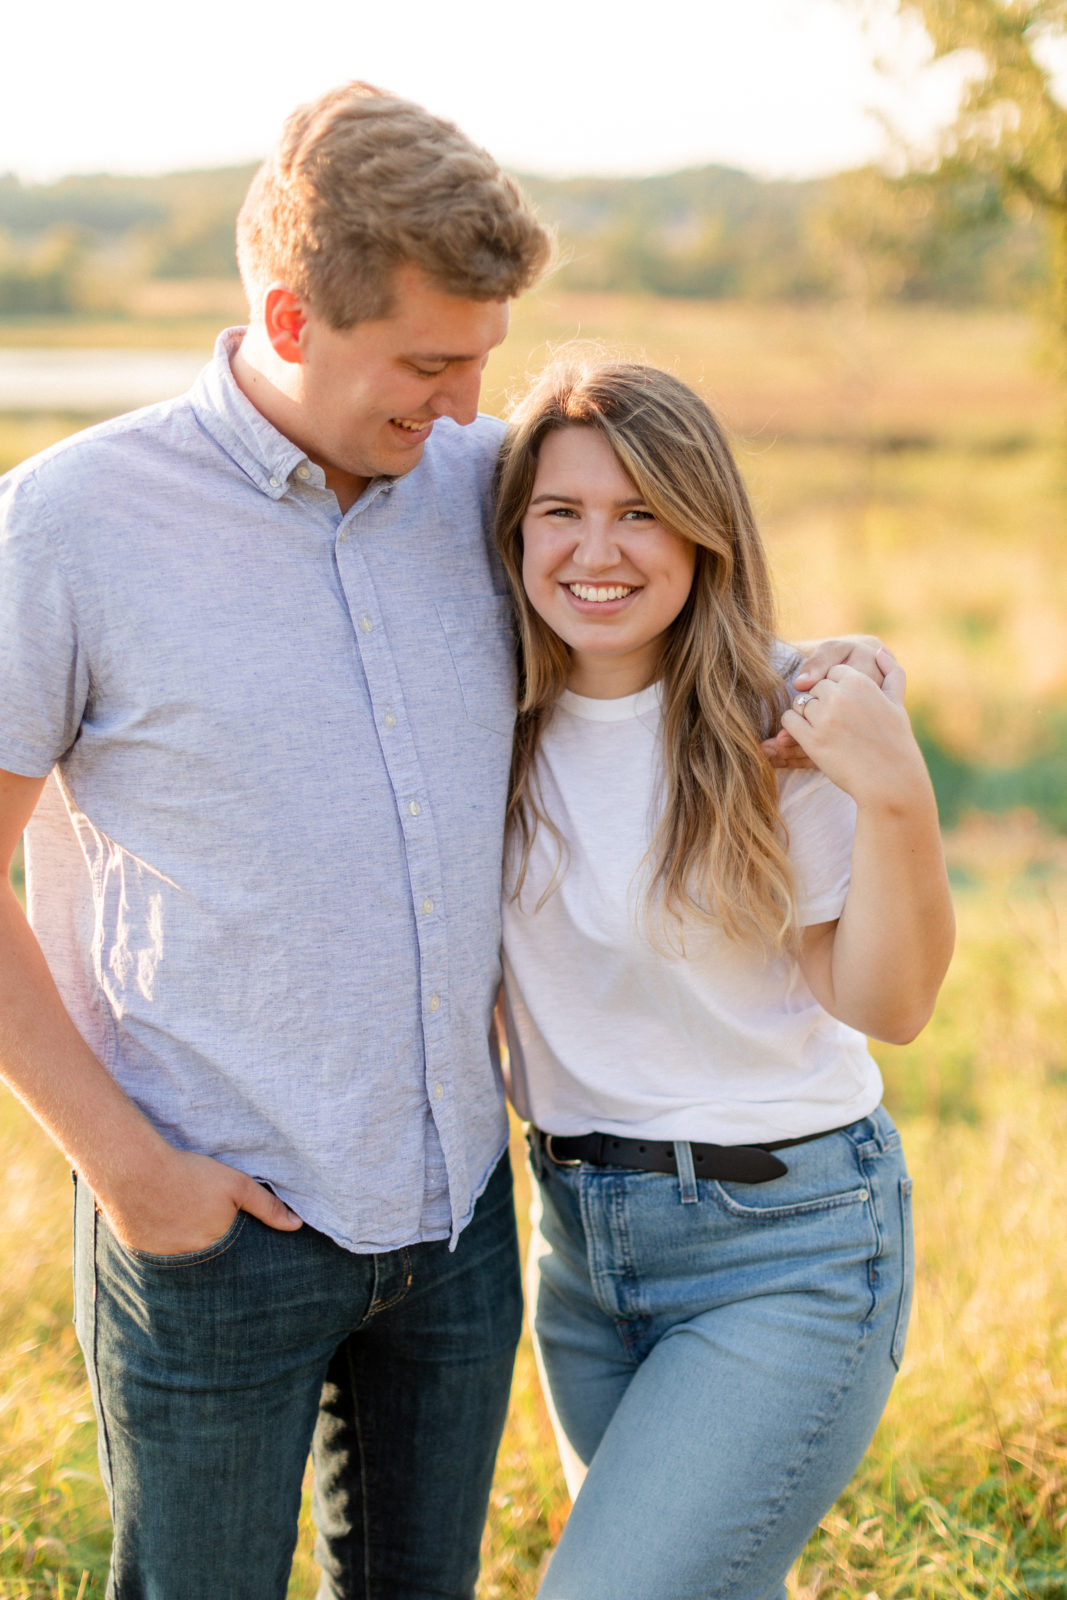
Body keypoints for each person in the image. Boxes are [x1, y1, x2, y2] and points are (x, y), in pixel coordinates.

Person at [0, 81, 894, 1599]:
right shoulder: (69, 527)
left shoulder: (475, 485)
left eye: (482, 359)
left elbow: (648, 604)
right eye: (426, 362)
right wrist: (132, 1170)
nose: (469, 404)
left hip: (464, 1222)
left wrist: (831, 676)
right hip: (214, 1224)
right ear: (290, 318)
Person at [492, 359, 955, 1600]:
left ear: (703, 532)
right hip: (578, 1247)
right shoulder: (486, 708)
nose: (598, 548)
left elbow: (887, 1004)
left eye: (640, 510)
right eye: (560, 510)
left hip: (782, 1245)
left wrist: (894, 793)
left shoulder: (782, 710)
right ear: (513, 528)